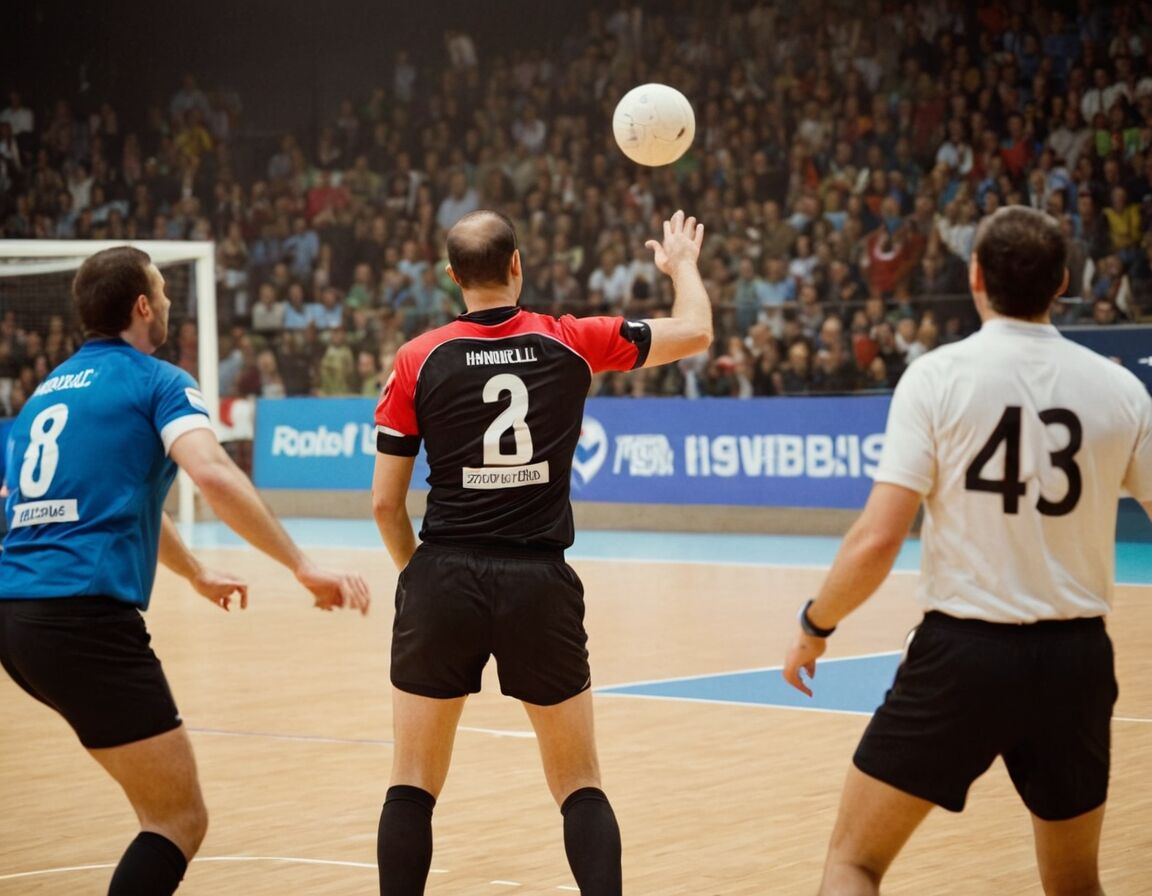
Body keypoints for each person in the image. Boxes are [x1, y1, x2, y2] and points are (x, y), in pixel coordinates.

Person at [782, 206, 1152, 894]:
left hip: (964, 657)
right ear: (1062, 281)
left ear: (975, 275)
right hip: (1075, 662)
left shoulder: (938, 377)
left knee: (854, 863)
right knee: (1076, 884)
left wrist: (815, 625)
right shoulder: (1121, 390)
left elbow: (878, 538)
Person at [0, 246, 371, 895]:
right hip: (82, 619)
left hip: (16, 620)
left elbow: (114, 501)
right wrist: (302, 564)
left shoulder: (46, 393)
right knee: (177, 820)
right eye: (163, 290)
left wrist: (195, 572)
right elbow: (212, 474)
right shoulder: (159, 381)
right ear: (143, 306)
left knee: (161, 810)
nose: (170, 301)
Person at [371, 209, 713, 895]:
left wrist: (419, 575)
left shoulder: (417, 358)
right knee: (580, 784)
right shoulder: (572, 339)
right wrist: (682, 266)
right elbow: (697, 332)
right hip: (539, 582)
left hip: (443, 577)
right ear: (517, 264)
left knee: (411, 785)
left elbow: (384, 504)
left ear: (452, 276)